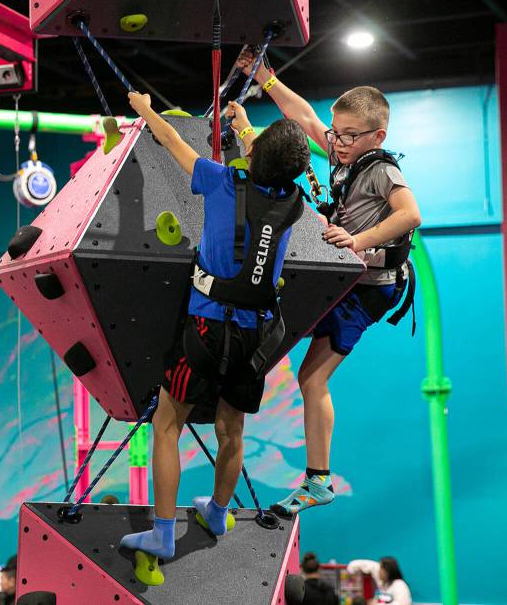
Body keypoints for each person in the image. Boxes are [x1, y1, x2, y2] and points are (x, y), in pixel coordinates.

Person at [119, 91, 310, 580]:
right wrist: (244, 125)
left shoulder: (223, 181)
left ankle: (162, 531)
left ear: (255, 158)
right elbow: (266, 160)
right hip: (255, 338)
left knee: (167, 424)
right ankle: (218, 513)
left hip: (205, 328)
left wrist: (142, 106)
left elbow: (170, 141)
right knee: (233, 432)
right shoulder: (293, 202)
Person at [234, 51, 423, 515]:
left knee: (313, 376)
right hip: (348, 279)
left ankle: (318, 481)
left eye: (349, 136)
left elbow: (410, 215)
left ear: (377, 136)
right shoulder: (343, 150)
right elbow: (301, 114)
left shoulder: (381, 169)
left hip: (372, 289)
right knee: (303, 367)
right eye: (335, 133)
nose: (336, 142)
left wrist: (356, 240)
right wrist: (265, 77)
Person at [347, 557, 412, 605]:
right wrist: (351, 568)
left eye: (381, 568)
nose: (379, 571)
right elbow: (372, 566)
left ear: (388, 570)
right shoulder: (384, 586)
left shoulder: (399, 585)